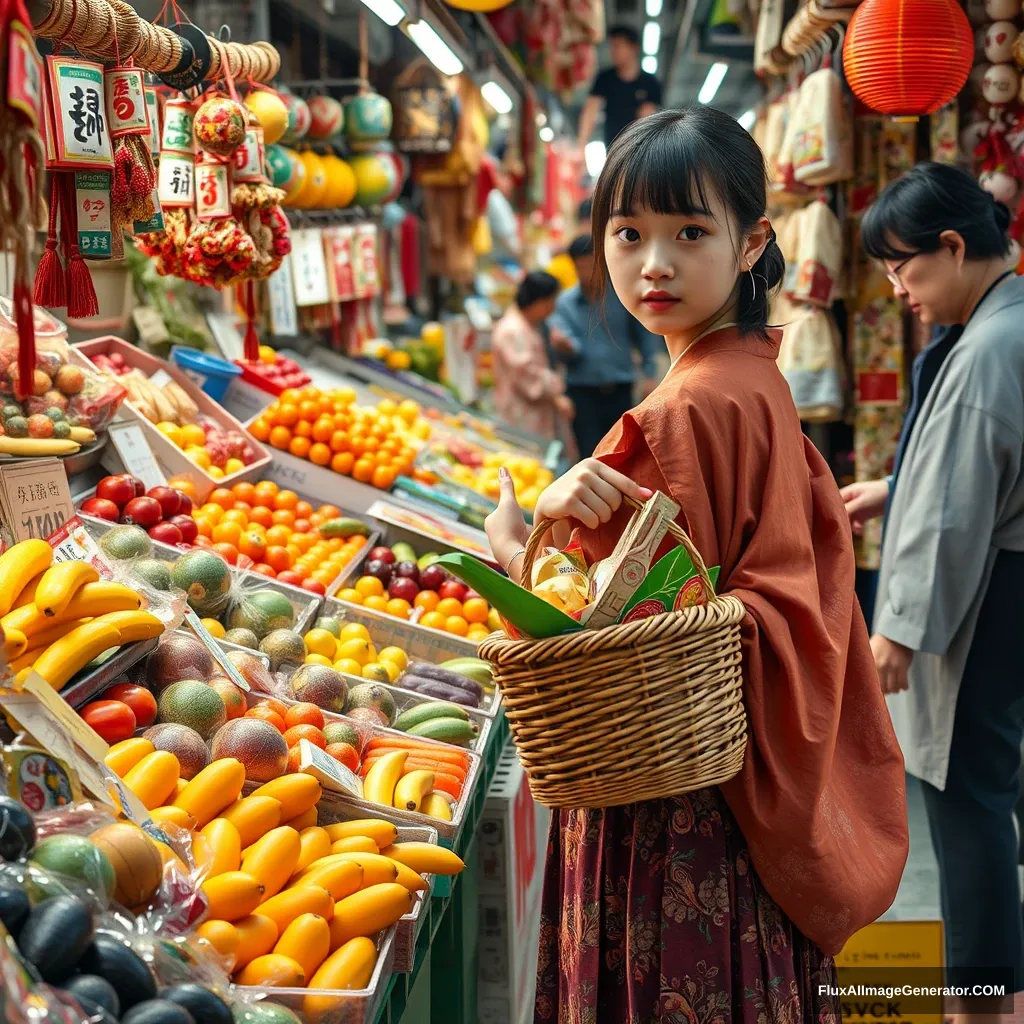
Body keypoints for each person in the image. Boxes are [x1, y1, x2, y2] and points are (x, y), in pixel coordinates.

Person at [485, 106, 908, 1022]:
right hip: (738, 792)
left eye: (690, 232)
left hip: (674, 807)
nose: (654, 264)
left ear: (753, 242)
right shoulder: (756, 380)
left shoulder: (676, 416)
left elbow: (597, 631)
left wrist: (521, 533)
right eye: (628, 234)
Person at [841, 161, 1024, 1007]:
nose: (898, 289)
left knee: (966, 798)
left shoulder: (989, 348)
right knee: (985, 787)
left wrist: (899, 631)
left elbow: (955, 512)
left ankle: (981, 991)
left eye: (905, 269)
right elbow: (963, 473)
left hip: (989, 597)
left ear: (954, 247)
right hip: (1001, 582)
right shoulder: (1000, 325)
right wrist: (893, 488)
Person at [548, 232, 663, 458]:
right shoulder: (565, 304)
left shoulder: (622, 295)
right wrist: (564, 347)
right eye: (580, 267)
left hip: (620, 387)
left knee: (622, 453)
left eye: (591, 265)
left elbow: (644, 335)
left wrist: (650, 374)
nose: (586, 273)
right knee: (590, 456)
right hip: (582, 392)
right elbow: (568, 352)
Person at [491, 271, 575, 447]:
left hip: (536, 415)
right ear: (538, 300)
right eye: (551, 301)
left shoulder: (533, 325)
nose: (553, 307)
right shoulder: (512, 330)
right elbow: (527, 373)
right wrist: (555, 394)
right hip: (522, 415)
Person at [577, 25, 662, 151]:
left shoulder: (650, 82)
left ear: (633, 48)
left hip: (640, 149)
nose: (613, 52)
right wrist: (581, 144)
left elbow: (649, 117)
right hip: (613, 148)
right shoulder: (605, 78)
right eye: (612, 47)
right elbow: (590, 110)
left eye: (618, 46)